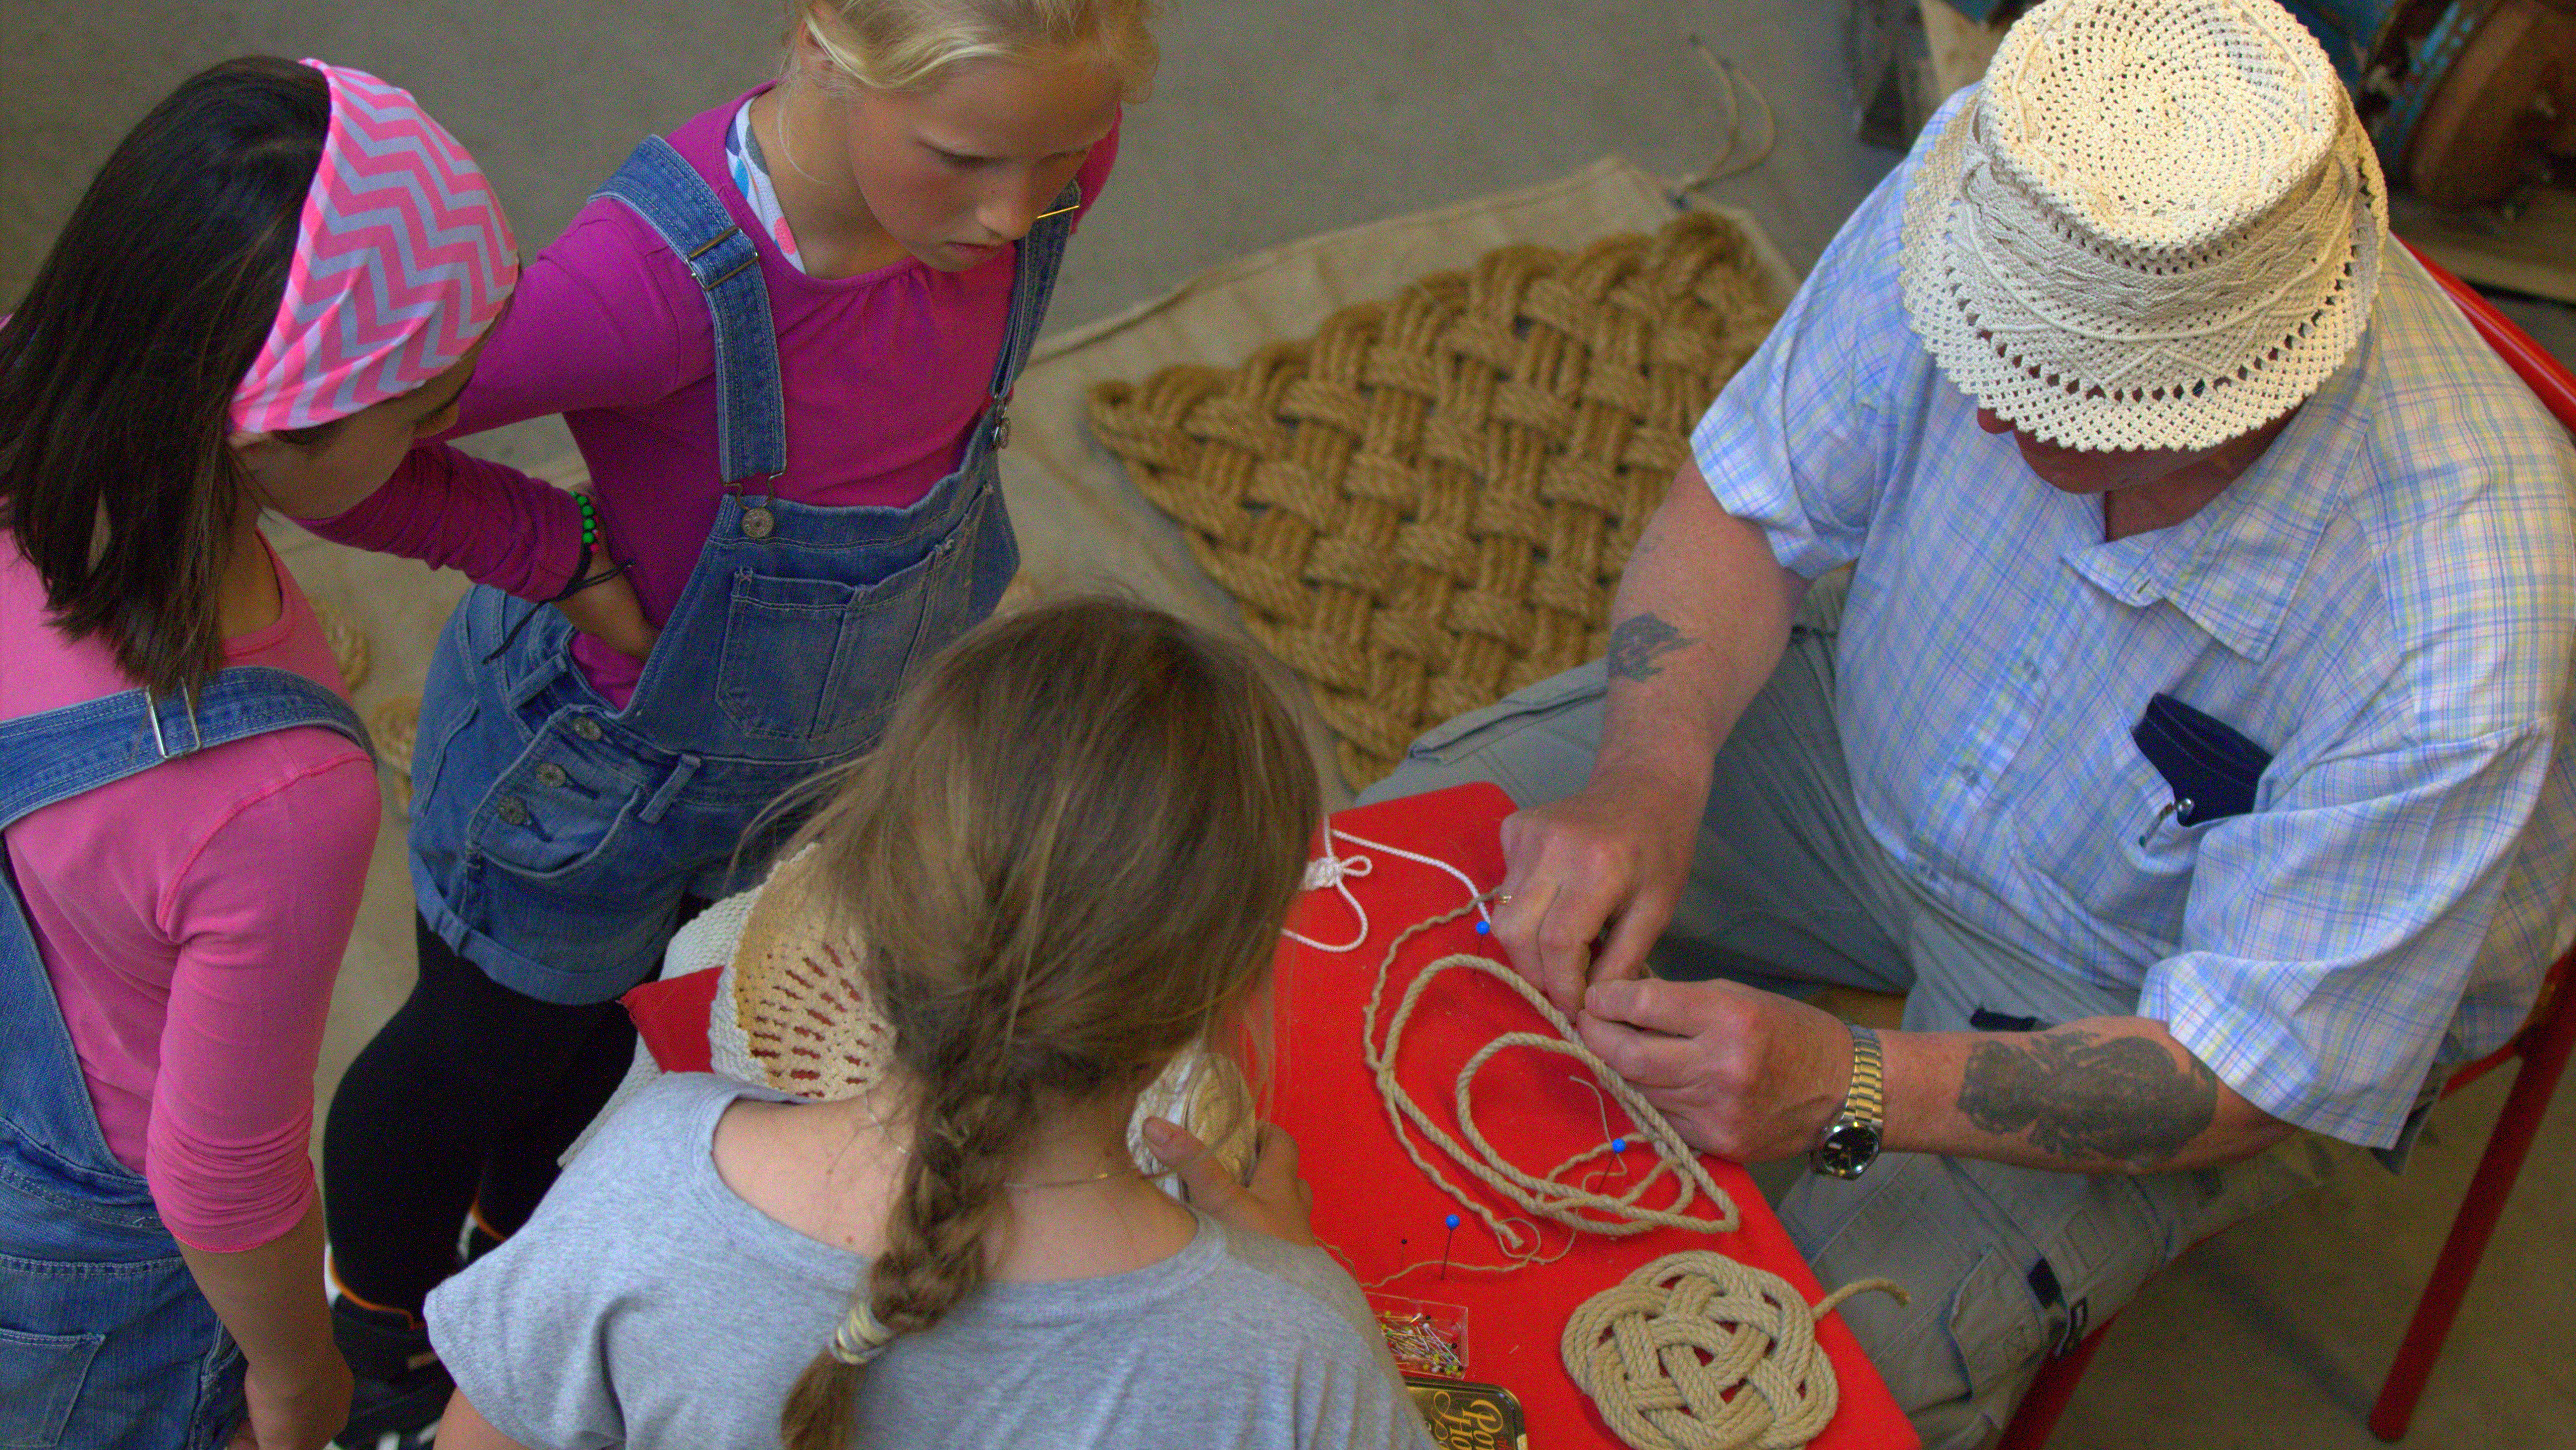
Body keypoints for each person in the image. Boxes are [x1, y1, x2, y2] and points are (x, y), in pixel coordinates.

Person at [1363, 0, 2576, 1443]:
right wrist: (1649, 769)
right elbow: (1749, 503)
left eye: (2036, 388)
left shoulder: (2456, 612)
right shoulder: (2013, 185)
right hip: (1857, 731)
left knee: (1767, 1387)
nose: (1979, 413)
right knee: (1383, 889)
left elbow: (2247, 1073)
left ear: (2214, 402)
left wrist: (1847, 1086)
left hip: (2123, 982)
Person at [304, 0, 1153, 1429]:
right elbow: (321, 437)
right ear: (823, 43)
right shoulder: (645, 286)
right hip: (590, 774)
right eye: (960, 158)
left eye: (1057, 156)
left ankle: (526, 1260)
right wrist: (547, 551)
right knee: (482, 1052)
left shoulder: (1045, 158)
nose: (1017, 215)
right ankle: (379, 1324)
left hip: (815, 746)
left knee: (617, 1037)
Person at [419, 599, 1432, 1450]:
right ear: (1231, 981)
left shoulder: (651, 1184)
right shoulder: (1292, 1354)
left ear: (858, 882)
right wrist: (1290, 1276)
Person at [0, 57, 517, 1450]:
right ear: (270, 430)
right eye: (418, 413)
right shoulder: (281, 786)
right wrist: (294, 1375)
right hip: (69, 1271)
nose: (443, 437)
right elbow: (222, 1179)